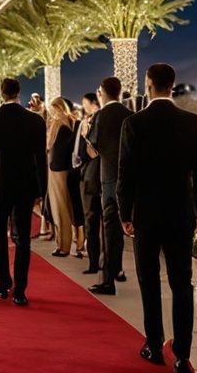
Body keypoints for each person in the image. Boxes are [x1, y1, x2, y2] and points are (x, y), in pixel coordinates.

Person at [116, 63, 197, 373]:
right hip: (180, 212)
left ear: (148, 84)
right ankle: (182, 356)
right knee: (182, 283)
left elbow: (124, 174)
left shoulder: (134, 123)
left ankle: (154, 345)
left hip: (146, 213)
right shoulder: (192, 123)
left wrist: (124, 213)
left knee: (149, 279)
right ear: (172, 85)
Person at [0, 78, 47, 307]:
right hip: (25, 186)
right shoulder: (35, 120)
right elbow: (40, 158)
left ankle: (4, 283)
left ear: (1, 94)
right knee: (23, 238)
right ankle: (21, 290)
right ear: (18, 93)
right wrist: (41, 189)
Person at [86, 76, 132, 295]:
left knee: (109, 229)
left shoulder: (100, 116)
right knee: (125, 227)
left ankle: (107, 280)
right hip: (129, 180)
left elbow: (93, 150)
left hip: (108, 179)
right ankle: (120, 270)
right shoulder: (130, 116)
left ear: (102, 92)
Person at [46, 97, 79, 258]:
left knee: (60, 208)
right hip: (60, 168)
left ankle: (64, 245)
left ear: (58, 107)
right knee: (62, 207)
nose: (52, 112)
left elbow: (53, 147)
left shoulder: (61, 123)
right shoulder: (66, 122)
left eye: (53, 108)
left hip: (58, 169)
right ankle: (63, 243)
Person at [76, 93, 103, 275]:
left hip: (93, 175)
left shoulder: (94, 120)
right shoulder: (92, 119)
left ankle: (96, 262)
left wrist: (85, 136)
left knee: (92, 220)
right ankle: (107, 265)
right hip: (98, 174)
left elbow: (86, 152)